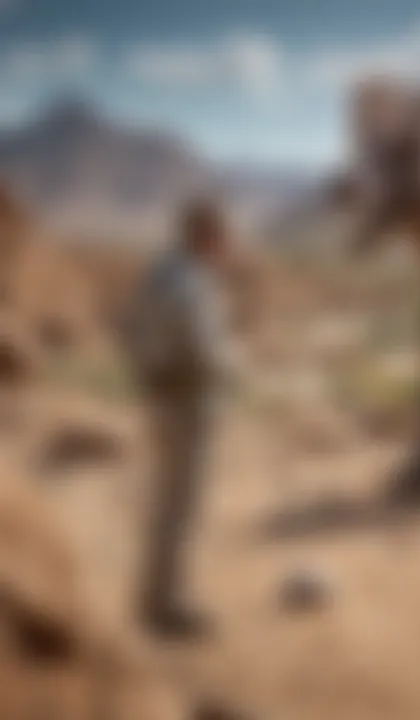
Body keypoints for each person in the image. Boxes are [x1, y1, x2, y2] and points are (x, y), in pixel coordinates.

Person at [121, 199, 235, 639]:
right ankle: (168, 607)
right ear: (207, 238)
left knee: (164, 503)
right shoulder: (192, 284)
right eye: (223, 238)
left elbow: (129, 333)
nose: (228, 247)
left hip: (160, 401)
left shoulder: (157, 275)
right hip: (190, 406)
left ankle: (151, 598)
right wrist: (236, 365)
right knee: (181, 508)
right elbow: (207, 352)